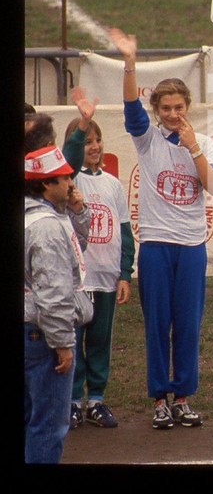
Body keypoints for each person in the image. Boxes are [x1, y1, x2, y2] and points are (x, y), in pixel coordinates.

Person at [109, 27, 213, 429]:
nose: (174, 115)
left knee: (188, 325)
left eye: (179, 107)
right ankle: (160, 398)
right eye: (167, 108)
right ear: (157, 111)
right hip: (156, 245)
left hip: (192, 246)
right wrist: (129, 64)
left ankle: (183, 396)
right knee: (158, 325)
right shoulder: (147, 140)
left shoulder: (204, 142)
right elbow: (130, 108)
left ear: (189, 106)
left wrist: (193, 147)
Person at [64, 115, 135, 429]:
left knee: (99, 341)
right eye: (87, 142)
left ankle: (96, 400)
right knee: (73, 338)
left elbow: (125, 232)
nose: (94, 147)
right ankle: (71, 401)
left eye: (97, 140)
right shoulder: (69, 180)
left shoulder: (113, 184)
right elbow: (69, 159)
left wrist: (124, 274)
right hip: (78, 280)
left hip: (106, 277)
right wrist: (80, 129)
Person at [24, 146, 94, 462]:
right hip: (44, 336)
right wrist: (63, 343)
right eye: (63, 177)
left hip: (31, 329)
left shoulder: (39, 218)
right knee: (48, 426)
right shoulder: (47, 227)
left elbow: (73, 252)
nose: (70, 182)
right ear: (45, 184)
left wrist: (77, 213)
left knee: (31, 421)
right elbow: (53, 292)